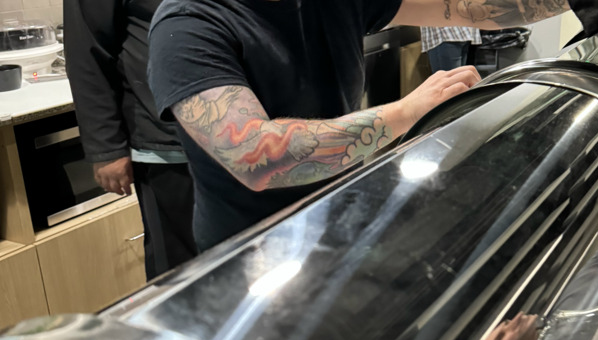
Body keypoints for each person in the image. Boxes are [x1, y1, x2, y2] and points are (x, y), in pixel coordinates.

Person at [146, 0, 573, 251]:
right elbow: (256, 156)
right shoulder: (187, 24)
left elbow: (467, 7)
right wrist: (407, 111)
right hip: (248, 255)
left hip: (338, 225)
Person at [64, 0, 197, 279]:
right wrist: (107, 148)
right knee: (179, 274)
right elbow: (87, 50)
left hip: (245, 141)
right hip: (167, 146)